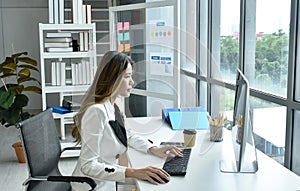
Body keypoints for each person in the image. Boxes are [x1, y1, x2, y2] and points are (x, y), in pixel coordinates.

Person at [71, 51, 182, 191]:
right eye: (127, 76)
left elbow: (126, 135)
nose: (132, 82)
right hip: (92, 187)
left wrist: (153, 149)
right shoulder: (96, 112)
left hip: (108, 182)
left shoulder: (112, 106)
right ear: (113, 79)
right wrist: (133, 172)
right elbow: (88, 166)